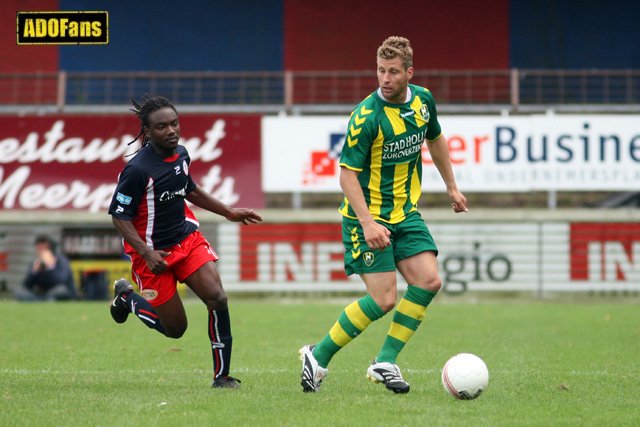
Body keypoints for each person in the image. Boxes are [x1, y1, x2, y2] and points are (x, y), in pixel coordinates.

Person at [299, 36, 469, 394]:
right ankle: (318, 356)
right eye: (380, 70)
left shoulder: (423, 101)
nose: (385, 78)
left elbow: (435, 139)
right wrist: (367, 222)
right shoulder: (366, 117)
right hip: (366, 217)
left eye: (393, 71)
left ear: (409, 72)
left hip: (405, 212)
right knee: (384, 299)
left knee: (428, 281)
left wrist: (452, 186)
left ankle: (385, 361)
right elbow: (346, 174)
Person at [108, 96, 262, 389]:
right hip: (153, 255)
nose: (171, 130)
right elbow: (119, 216)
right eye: (162, 126)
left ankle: (222, 376)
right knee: (175, 329)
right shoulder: (137, 170)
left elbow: (189, 188)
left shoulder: (180, 154)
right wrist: (145, 251)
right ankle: (127, 298)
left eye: (174, 123)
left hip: (186, 239)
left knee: (217, 297)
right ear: (148, 132)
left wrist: (228, 211)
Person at [15, 235, 77, 301]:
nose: (42, 251)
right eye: (39, 248)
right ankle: (43, 301)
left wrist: (50, 266)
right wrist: (35, 271)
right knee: (20, 292)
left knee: (60, 290)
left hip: (57, 293)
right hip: (43, 295)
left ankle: (42, 301)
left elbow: (61, 281)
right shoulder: (36, 262)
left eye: (44, 248)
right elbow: (26, 285)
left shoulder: (61, 260)